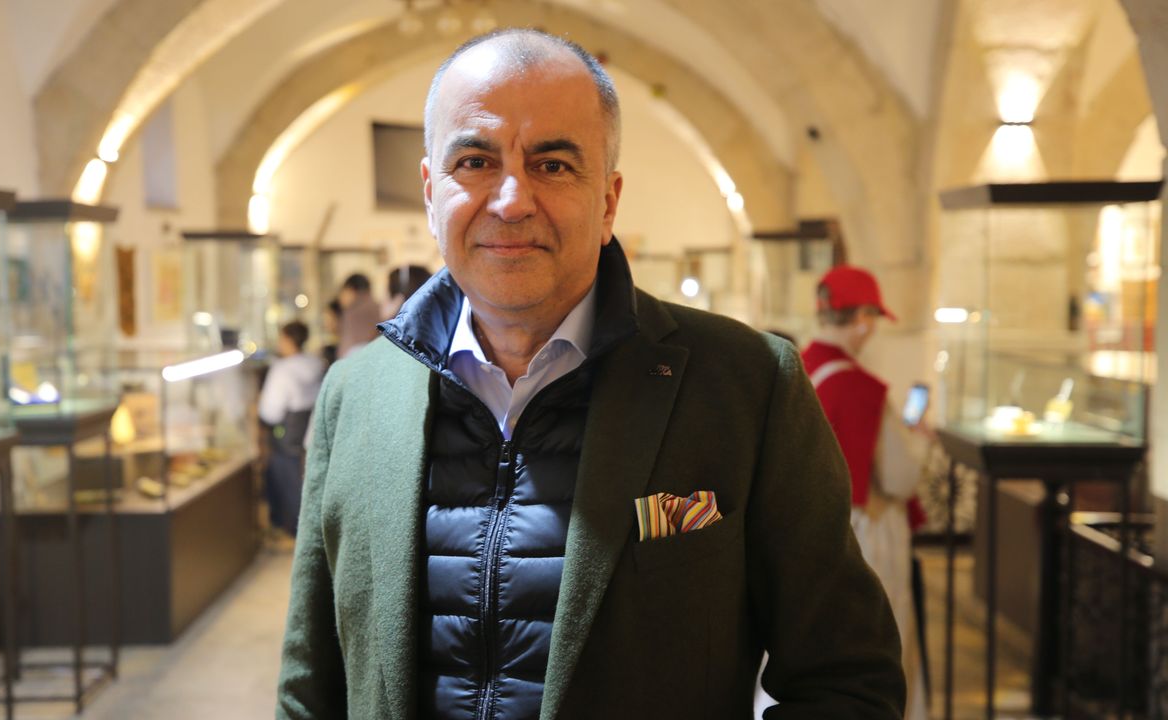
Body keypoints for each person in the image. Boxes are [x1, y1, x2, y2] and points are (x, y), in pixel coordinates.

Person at [277, 29, 904, 718]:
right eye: (476, 161)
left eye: (552, 165)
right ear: (431, 193)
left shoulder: (746, 386)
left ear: (608, 201)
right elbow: (312, 687)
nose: (511, 200)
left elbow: (848, 681)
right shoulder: (355, 396)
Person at [800, 265, 930, 720]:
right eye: (873, 317)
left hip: (807, 526)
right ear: (861, 318)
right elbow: (899, 477)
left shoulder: (798, 366)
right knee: (875, 641)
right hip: (866, 530)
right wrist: (919, 442)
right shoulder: (860, 387)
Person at [258, 320, 324, 537]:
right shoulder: (315, 364)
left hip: (285, 436)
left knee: (287, 487)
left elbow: (270, 412)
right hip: (309, 431)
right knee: (305, 484)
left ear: (287, 340)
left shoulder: (282, 370)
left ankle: (293, 533)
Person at [336, 273, 380, 359]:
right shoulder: (376, 306)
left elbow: (347, 347)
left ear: (351, 290)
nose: (340, 298)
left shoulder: (353, 311)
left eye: (343, 292)